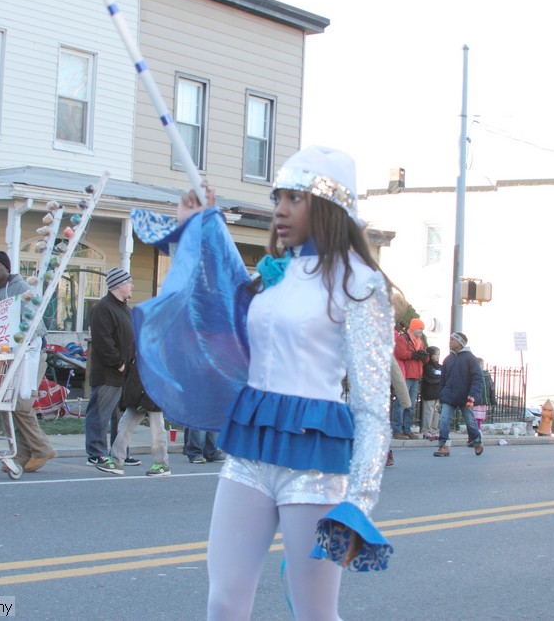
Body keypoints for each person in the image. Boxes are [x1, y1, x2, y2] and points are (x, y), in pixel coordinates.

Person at [136, 146, 396, 619]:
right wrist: (199, 226)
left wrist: (359, 500)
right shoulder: (275, 274)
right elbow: (216, 306)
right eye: (278, 196)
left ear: (330, 206)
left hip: (314, 462)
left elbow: (374, 404)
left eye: (295, 198)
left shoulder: (362, 283)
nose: (280, 209)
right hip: (249, 453)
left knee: (314, 612)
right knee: (224, 600)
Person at [0, 250, 56, 473]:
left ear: (6, 266)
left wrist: (20, 344)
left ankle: (42, 448)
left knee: (22, 404)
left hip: (29, 352)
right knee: (5, 406)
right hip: (4, 356)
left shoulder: (22, 289)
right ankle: (21, 452)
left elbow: (31, 323)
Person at [85, 267, 135, 475]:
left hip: (124, 372)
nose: (132, 286)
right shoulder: (103, 308)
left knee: (119, 415)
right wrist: (118, 362)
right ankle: (95, 452)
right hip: (109, 371)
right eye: (129, 282)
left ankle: (119, 452)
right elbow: (102, 340)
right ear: (119, 285)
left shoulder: (125, 309)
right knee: (100, 411)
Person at [110, 361, 171, 476]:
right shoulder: (135, 345)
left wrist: (147, 398)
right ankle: (116, 460)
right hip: (137, 393)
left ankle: (162, 464)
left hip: (154, 394)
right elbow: (130, 370)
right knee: (125, 425)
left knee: (157, 429)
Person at [434, 332, 484, 457]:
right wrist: (441, 397)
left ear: (460, 342)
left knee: (470, 422)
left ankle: (476, 440)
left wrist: (473, 396)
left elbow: (477, 379)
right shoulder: (447, 359)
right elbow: (443, 380)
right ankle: (443, 445)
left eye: (452, 340)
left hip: (465, 397)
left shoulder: (470, 358)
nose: (449, 342)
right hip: (448, 397)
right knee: (444, 420)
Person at [392, 318, 426, 439]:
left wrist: (424, 357)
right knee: (402, 403)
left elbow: (423, 356)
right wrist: (414, 354)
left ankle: (407, 429)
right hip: (406, 374)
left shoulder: (419, 342)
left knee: (411, 405)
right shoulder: (403, 338)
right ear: (413, 328)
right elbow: (400, 353)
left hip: (415, 375)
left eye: (422, 329)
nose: (421, 331)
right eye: (419, 328)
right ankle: (397, 430)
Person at [419, 346, 442, 439]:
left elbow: (443, 377)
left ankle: (434, 430)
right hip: (429, 393)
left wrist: (438, 378)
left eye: (438, 355)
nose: (437, 357)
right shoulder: (427, 366)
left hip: (438, 393)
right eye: (435, 354)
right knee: (428, 413)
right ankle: (427, 431)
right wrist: (439, 378)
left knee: (436, 413)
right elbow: (430, 379)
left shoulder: (440, 367)